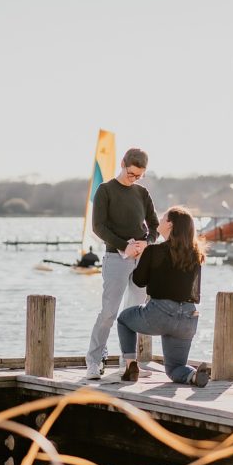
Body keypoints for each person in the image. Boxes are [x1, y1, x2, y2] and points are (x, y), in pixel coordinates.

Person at [116, 206, 210, 386]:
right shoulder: (196, 254)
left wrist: (142, 258)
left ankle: (130, 365)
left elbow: (139, 281)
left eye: (163, 216)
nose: (159, 218)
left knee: (123, 319)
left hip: (159, 313)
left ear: (170, 224)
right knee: (175, 368)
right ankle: (194, 376)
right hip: (188, 318)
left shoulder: (154, 251)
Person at [85, 148, 159, 379]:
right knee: (109, 312)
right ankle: (94, 361)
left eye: (139, 175)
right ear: (122, 164)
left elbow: (155, 227)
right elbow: (98, 227)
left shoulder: (142, 193)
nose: (134, 178)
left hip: (141, 259)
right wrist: (123, 246)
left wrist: (146, 243)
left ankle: (128, 364)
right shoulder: (105, 190)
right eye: (131, 173)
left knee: (133, 313)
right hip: (115, 258)